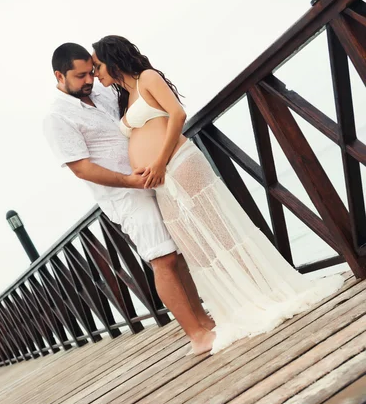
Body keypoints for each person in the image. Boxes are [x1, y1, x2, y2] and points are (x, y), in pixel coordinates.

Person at [91, 35, 344, 354]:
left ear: (112, 60)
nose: (96, 73)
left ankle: (264, 294)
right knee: (197, 245)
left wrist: (158, 161)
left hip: (179, 165)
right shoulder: (123, 98)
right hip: (162, 182)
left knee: (222, 233)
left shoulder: (148, 79)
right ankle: (238, 302)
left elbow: (177, 115)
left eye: (97, 65)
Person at [43, 43, 215, 354]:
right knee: (162, 258)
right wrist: (128, 181)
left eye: (91, 72)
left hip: (157, 180)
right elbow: (81, 168)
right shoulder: (57, 117)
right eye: (80, 75)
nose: (89, 80)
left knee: (178, 254)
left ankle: (205, 322)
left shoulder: (104, 92)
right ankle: (196, 336)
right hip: (125, 195)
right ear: (59, 75)